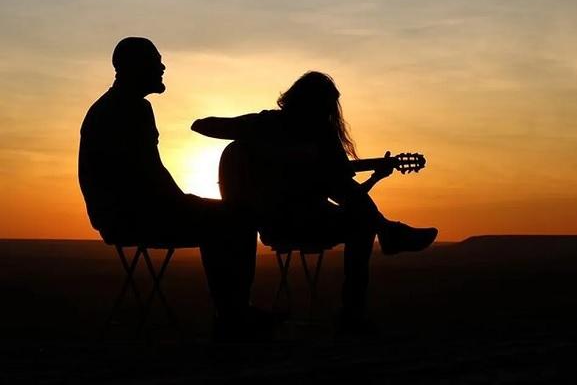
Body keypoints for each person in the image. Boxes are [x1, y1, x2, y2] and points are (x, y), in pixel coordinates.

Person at [192, 71, 438, 334]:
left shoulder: (324, 137)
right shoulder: (269, 124)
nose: (328, 113)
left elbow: (343, 193)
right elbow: (201, 125)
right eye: (323, 106)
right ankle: (387, 235)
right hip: (275, 220)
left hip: (315, 218)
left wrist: (376, 177)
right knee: (360, 218)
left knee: (360, 220)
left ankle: (355, 308)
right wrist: (277, 153)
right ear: (305, 103)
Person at [78, 37, 273, 338]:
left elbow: (144, 176)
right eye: (156, 61)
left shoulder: (115, 107)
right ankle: (234, 315)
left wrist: (184, 202)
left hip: (123, 214)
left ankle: (234, 312)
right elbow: (147, 174)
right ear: (135, 67)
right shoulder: (129, 109)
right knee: (238, 218)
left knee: (229, 216)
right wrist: (184, 204)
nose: (162, 66)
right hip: (134, 217)